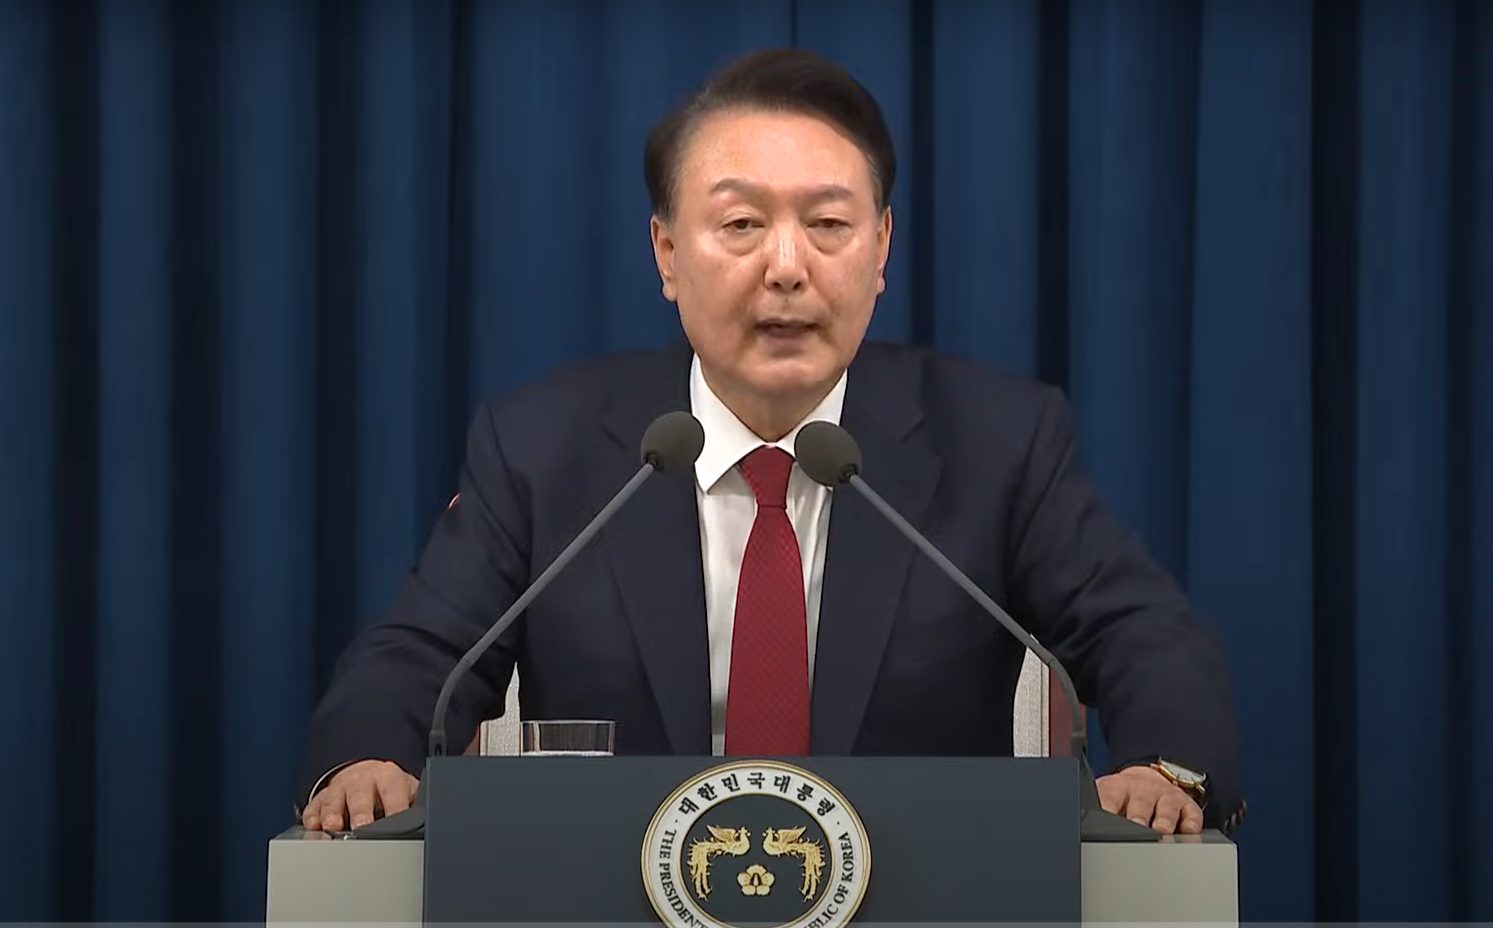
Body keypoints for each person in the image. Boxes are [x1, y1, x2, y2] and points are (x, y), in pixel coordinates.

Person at [298, 48, 1245, 838]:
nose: (786, 267)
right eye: (741, 224)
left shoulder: (998, 439)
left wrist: (1167, 767)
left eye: (827, 224)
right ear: (667, 252)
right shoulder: (541, 445)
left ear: (881, 248)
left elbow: (1139, 631)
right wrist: (367, 759)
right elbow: (418, 651)